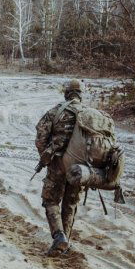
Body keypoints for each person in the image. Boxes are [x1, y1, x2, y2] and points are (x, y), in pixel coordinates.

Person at [34, 80, 84, 255]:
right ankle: (65, 243)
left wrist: (46, 156)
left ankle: (59, 237)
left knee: (51, 200)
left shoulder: (56, 111)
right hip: (81, 169)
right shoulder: (89, 114)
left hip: (58, 164)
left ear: (66, 93)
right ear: (81, 94)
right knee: (70, 203)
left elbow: (41, 137)